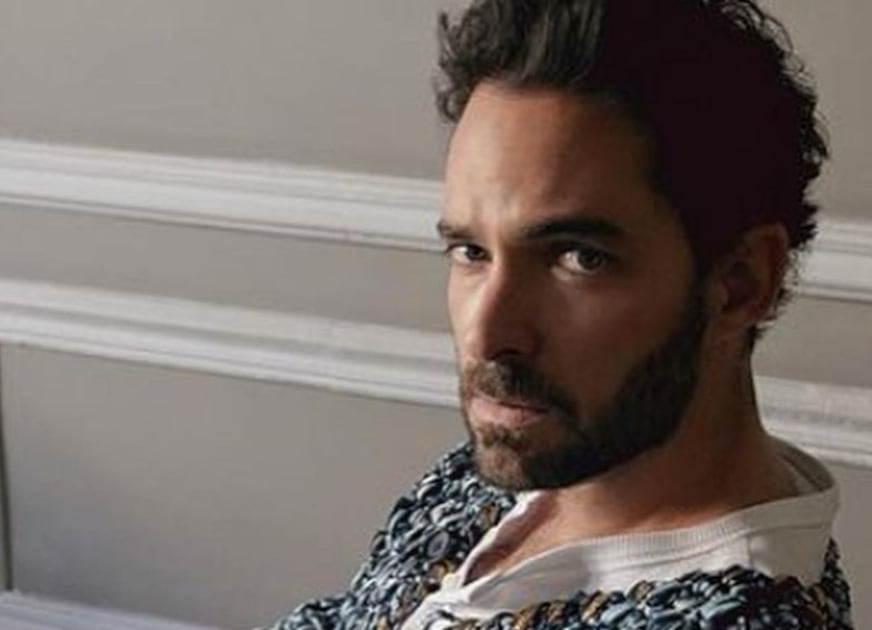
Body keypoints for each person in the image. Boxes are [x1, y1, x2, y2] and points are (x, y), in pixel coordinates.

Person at [260, 0, 853, 628]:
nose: (489, 335)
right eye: (471, 251)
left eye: (579, 258)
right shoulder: (542, 451)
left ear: (739, 283)